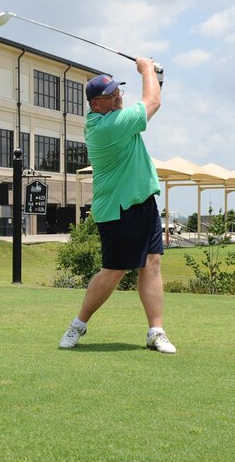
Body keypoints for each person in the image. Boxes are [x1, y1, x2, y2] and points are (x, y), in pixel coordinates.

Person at [59, 59, 176, 354]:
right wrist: (146, 68)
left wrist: (156, 76)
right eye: (111, 96)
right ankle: (78, 324)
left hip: (142, 201)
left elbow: (151, 99)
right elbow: (152, 101)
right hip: (117, 208)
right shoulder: (108, 126)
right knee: (115, 270)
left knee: (152, 263)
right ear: (96, 105)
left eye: (118, 92)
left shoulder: (117, 116)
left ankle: (156, 331)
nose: (118, 98)